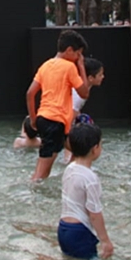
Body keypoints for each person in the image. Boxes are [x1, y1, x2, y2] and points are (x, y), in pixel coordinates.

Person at [26, 30, 91, 181]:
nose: (78, 58)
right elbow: (84, 93)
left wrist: (33, 119)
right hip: (55, 121)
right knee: (41, 174)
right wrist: (81, 66)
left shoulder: (45, 65)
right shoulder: (69, 67)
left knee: (79, 149)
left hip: (46, 119)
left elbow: (30, 93)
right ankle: (30, 194)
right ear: (69, 50)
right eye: (78, 54)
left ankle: (74, 177)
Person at [58, 123, 113, 259]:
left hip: (63, 229)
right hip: (80, 231)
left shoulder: (69, 169)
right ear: (95, 149)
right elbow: (94, 213)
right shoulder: (90, 178)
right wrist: (105, 240)